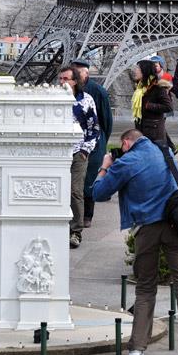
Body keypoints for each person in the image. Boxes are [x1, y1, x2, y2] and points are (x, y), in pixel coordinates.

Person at [92, 129, 178, 355]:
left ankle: (137, 347)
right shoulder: (164, 151)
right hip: (174, 227)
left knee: (145, 288)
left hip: (145, 230)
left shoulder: (126, 162)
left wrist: (106, 165)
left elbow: (98, 192)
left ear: (126, 143)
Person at [58, 67, 99, 249]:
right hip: (57, 153)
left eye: (65, 78)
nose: (62, 82)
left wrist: (85, 150)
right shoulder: (55, 98)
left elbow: (94, 128)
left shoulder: (86, 100)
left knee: (75, 190)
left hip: (77, 152)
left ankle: (76, 230)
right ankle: (59, 226)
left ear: (75, 81)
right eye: (60, 79)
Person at [70, 59, 112, 230]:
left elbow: (105, 120)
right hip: (75, 142)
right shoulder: (72, 91)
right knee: (77, 182)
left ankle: (88, 215)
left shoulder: (97, 92)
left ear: (86, 73)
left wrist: (101, 140)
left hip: (91, 141)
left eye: (78, 73)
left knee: (88, 180)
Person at [131, 60, 172, 146]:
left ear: (145, 71)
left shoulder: (157, 88)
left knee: (160, 157)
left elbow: (168, 107)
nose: (135, 71)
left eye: (138, 68)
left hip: (154, 133)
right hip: (142, 129)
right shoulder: (140, 88)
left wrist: (149, 106)